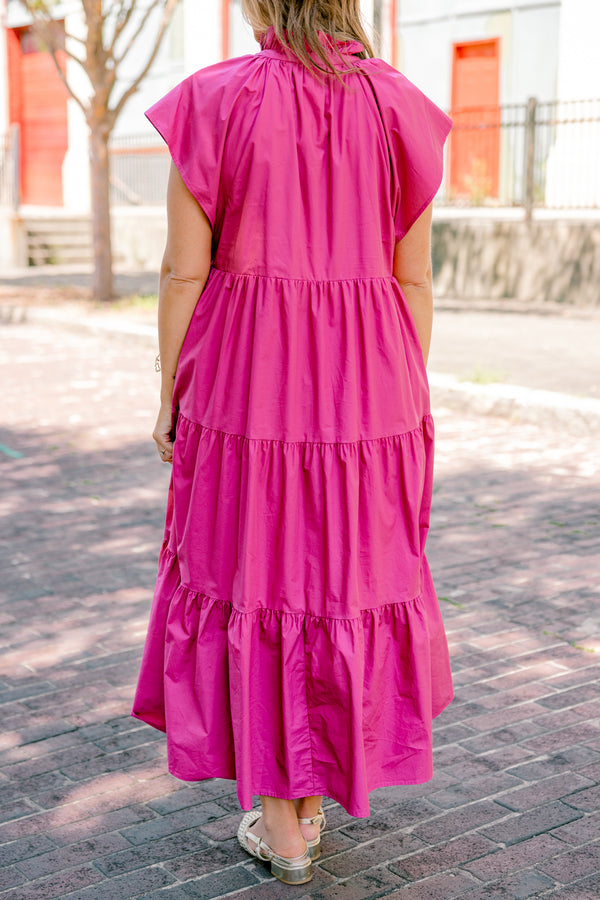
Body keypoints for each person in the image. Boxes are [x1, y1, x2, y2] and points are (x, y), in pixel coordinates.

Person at [132, 0, 454, 885]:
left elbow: (182, 269)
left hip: (248, 379)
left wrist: (168, 391)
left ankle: (284, 825)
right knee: (341, 578)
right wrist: (393, 399)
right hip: (374, 382)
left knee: (257, 572)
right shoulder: (403, 108)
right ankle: (306, 803)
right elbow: (414, 276)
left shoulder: (214, 100)